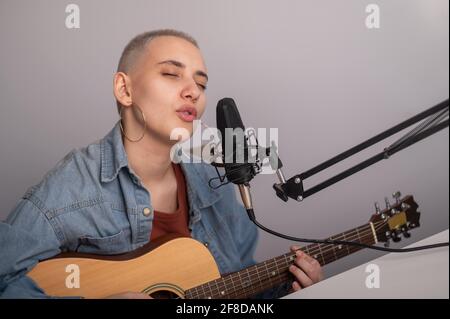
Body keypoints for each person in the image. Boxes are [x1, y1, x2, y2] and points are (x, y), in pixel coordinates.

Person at [0, 29, 323, 299]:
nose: (193, 91)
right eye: (171, 74)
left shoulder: (216, 184)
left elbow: (236, 287)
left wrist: (290, 287)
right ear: (125, 89)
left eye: (202, 83)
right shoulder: (72, 186)